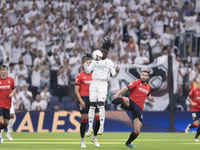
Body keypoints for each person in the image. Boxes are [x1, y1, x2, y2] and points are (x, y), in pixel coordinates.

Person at [83, 37, 120, 147]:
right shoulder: (95, 61)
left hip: (103, 84)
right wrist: (85, 63)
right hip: (94, 84)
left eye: (105, 52)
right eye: (102, 51)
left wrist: (117, 71)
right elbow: (88, 71)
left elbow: (113, 75)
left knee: (101, 105)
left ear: (107, 52)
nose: (103, 53)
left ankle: (101, 127)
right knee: (92, 106)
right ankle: (89, 128)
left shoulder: (109, 62)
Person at [108, 70, 155, 149]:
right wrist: (117, 94)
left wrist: (150, 99)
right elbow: (125, 89)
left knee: (137, 131)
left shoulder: (149, 87)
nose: (143, 76)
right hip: (131, 102)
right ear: (140, 76)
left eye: (145, 75)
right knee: (125, 99)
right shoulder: (136, 82)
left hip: (139, 108)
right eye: (142, 75)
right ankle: (110, 100)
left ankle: (128, 143)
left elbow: (148, 95)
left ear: (148, 77)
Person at [75, 55, 100, 148]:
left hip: (93, 99)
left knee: (98, 120)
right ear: (83, 65)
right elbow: (76, 90)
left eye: (90, 63)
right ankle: (82, 140)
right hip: (84, 99)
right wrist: (81, 100)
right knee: (84, 121)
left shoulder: (94, 76)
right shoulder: (79, 76)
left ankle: (94, 137)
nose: (88, 64)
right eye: (87, 63)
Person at [0, 65, 16, 143]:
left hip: (7, 103)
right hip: (0, 103)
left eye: (5, 70)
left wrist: (13, 94)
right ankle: (0, 136)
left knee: (6, 123)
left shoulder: (11, 79)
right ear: (0, 71)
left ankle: (6, 133)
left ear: (7, 71)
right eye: (2, 70)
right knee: (0, 119)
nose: (4, 71)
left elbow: (14, 88)